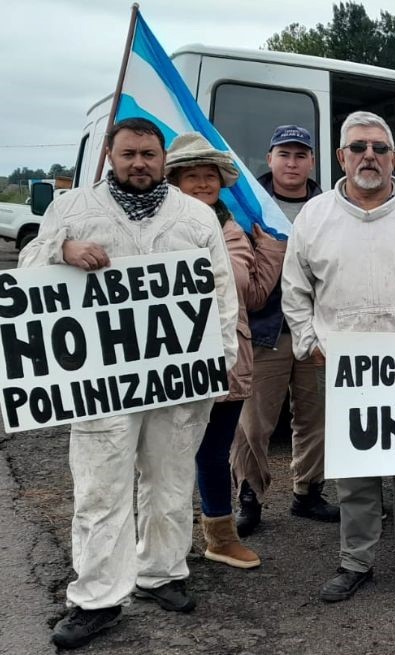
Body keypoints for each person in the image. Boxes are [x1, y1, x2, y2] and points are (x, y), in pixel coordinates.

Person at [20, 118, 237, 649]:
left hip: (175, 376)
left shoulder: (194, 215)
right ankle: (96, 597)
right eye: (128, 153)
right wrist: (61, 252)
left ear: (164, 160)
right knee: (101, 489)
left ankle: (161, 572)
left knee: (168, 480)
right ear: (110, 157)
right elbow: (25, 272)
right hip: (102, 380)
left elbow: (220, 291)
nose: (138, 163)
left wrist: (219, 359)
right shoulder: (72, 211)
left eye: (148, 153)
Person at [282, 111, 395, 602]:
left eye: (380, 148)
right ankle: (355, 561)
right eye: (358, 147)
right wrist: (309, 341)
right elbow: (295, 292)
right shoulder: (315, 216)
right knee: (354, 471)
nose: (370, 156)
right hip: (342, 367)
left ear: (394, 159)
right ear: (341, 157)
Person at [165, 133, 285, 570]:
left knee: (212, 453)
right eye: (192, 176)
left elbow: (251, 297)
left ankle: (220, 537)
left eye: (209, 177)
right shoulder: (151, 230)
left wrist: (271, 247)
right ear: (174, 180)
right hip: (166, 358)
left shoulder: (233, 229)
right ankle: (163, 545)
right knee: (161, 454)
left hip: (227, 359)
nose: (202, 184)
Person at [232, 124, 335, 537]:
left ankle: (308, 492)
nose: (292, 163)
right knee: (254, 424)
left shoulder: (330, 207)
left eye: (300, 155)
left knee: (316, 419)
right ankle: (249, 495)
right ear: (270, 159)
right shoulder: (247, 207)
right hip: (265, 330)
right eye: (284, 154)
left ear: (311, 161)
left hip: (316, 329)